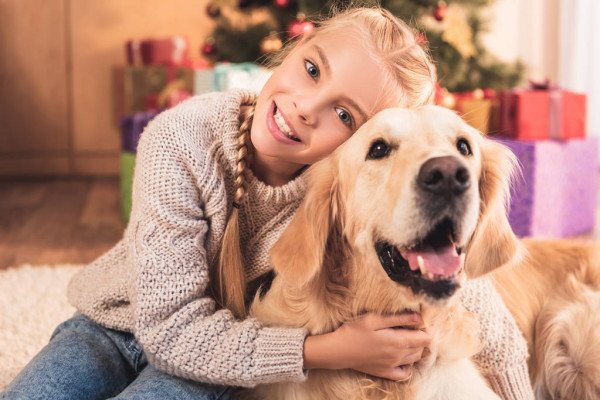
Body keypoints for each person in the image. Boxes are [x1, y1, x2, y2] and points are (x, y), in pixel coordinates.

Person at [1, 6, 534, 400]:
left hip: (222, 359)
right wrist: (327, 351)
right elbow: (168, 332)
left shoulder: (346, 187)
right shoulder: (182, 137)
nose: (306, 108)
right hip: (115, 328)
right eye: (311, 70)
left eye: (345, 116)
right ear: (291, 52)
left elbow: (479, 306)